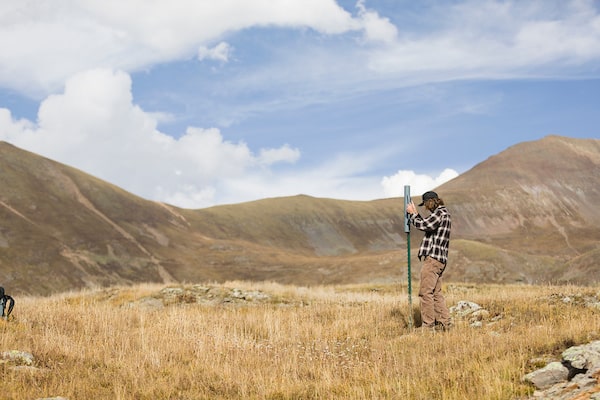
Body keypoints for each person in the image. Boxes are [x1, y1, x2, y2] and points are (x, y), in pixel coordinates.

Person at [406, 191, 451, 331]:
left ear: (431, 201)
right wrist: (415, 214)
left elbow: (425, 226)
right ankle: (444, 324)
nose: (426, 207)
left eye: (425, 204)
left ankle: (428, 326)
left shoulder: (439, 214)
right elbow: (427, 223)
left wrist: (413, 214)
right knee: (436, 293)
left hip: (433, 259)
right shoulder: (444, 214)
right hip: (441, 260)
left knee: (425, 292)